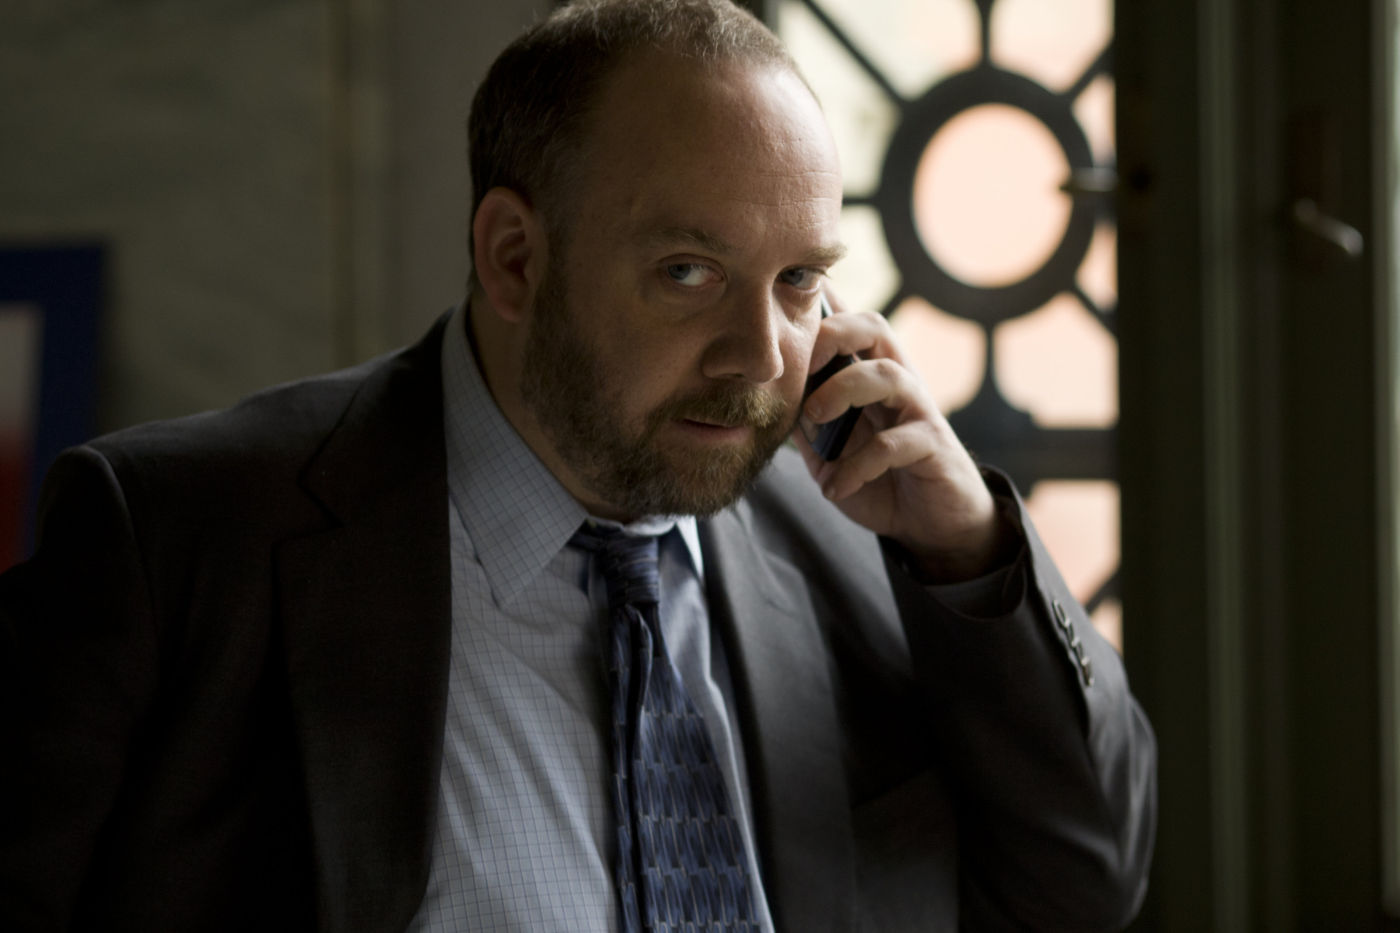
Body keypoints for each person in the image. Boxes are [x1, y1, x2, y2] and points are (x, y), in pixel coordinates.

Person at [0, 0, 1156, 930]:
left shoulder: (868, 539)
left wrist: (970, 555)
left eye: (798, 281)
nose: (762, 356)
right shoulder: (178, 537)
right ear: (514, 257)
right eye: (687, 272)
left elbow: (1087, 883)